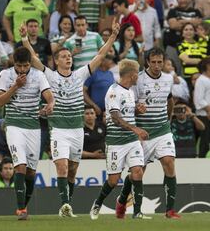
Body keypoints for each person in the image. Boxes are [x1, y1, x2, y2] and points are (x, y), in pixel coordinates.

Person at [20, 18, 119, 217]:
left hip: (77, 130)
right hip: (58, 130)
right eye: (63, 56)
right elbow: (32, 57)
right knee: (62, 165)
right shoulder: (50, 75)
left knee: (73, 170)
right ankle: (66, 205)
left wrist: (114, 37)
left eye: (69, 56)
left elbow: (100, 56)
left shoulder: (79, 75)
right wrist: (24, 38)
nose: (68, 59)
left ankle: (67, 204)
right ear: (56, 61)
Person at [116, 47, 181, 219]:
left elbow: (170, 100)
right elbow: (130, 107)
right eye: (154, 62)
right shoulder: (139, 81)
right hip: (143, 133)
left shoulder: (168, 79)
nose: (157, 66)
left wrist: (168, 119)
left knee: (169, 162)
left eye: (160, 62)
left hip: (162, 130)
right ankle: (122, 200)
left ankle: (170, 210)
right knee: (137, 172)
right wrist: (137, 110)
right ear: (147, 62)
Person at [0, 47, 55, 220]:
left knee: (31, 172)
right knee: (19, 166)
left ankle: (23, 205)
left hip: (33, 126)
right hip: (14, 124)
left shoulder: (38, 75)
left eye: (26, 66)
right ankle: (21, 210)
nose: (22, 70)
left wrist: (50, 104)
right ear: (14, 63)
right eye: (19, 66)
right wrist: (15, 86)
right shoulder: (5, 75)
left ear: (30, 63)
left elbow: (49, 96)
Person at [89, 59, 150, 220]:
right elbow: (115, 117)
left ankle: (137, 212)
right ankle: (98, 202)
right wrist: (135, 128)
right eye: (137, 74)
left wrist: (137, 111)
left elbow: (125, 114)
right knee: (113, 180)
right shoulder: (114, 91)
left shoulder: (129, 91)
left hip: (131, 141)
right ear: (132, 75)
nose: (138, 77)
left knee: (137, 172)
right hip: (116, 142)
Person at [177, 23, 206, 90]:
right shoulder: (180, 45)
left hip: (201, 76)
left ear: (195, 32)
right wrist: (201, 60)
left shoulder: (200, 44)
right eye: (186, 30)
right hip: (187, 77)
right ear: (182, 33)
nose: (188, 32)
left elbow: (206, 59)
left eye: (191, 29)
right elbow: (186, 60)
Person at [194, 57, 210, 158]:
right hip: (204, 116)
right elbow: (198, 100)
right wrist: (208, 110)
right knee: (204, 141)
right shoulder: (201, 80)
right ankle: (201, 159)